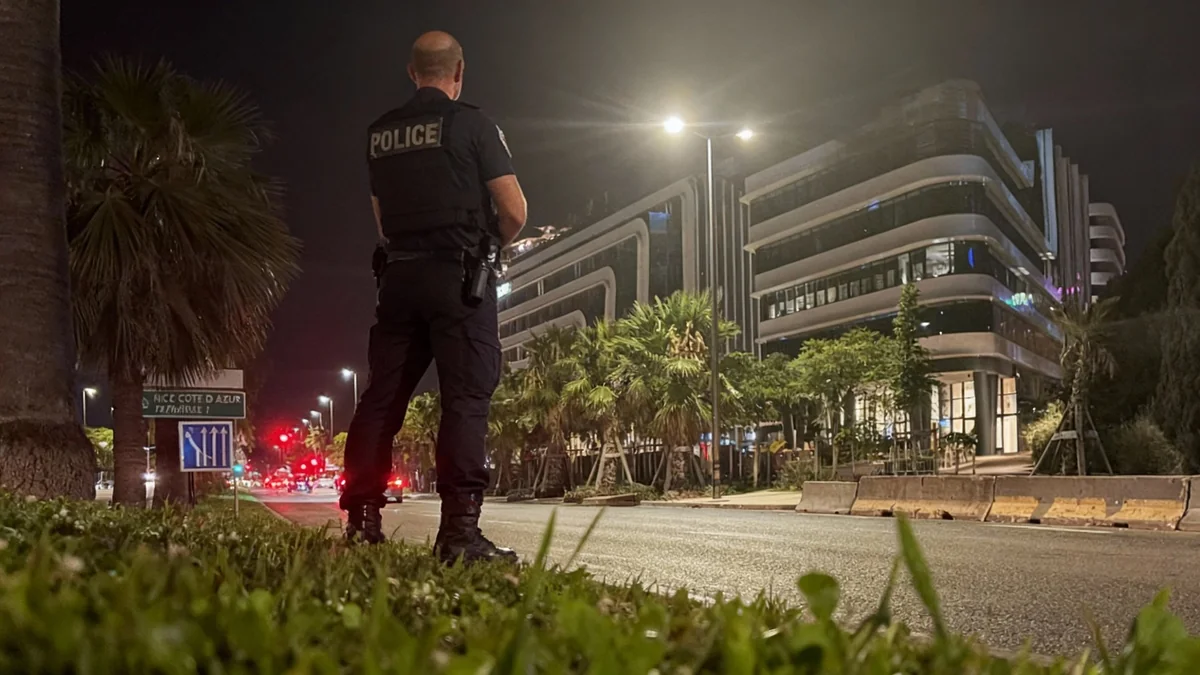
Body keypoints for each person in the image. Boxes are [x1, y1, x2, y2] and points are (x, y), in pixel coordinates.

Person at [339, 30, 527, 564]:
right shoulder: (474, 124)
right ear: (459, 71)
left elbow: (383, 222)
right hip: (460, 281)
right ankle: (459, 534)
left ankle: (362, 522)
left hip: (399, 280)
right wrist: (486, 245)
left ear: (412, 72)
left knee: (381, 399)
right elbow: (514, 212)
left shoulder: (380, 134)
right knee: (464, 400)